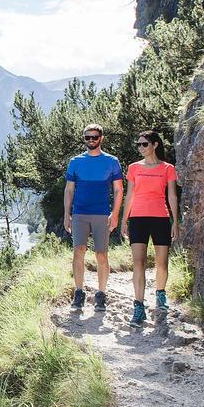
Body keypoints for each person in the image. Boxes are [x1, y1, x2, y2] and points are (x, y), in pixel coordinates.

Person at [120, 130, 180, 325]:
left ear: (155, 145)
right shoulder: (134, 168)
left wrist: (175, 221)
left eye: (144, 144)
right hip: (138, 218)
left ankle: (160, 295)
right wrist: (123, 220)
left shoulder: (167, 168)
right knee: (139, 263)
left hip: (161, 218)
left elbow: (172, 196)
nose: (141, 148)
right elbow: (129, 195)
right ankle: (138, 308)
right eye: (138, 144)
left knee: (162, 263)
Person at [63, 123, 123, 310]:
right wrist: (67, 214)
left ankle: (101, 294)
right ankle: (79, 293)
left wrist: (115, 214)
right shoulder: (75, 162)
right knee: (78, 251)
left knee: (101, 254)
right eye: (87, 137)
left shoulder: (112, 161)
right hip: (80, 213)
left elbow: (119, 189)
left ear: (101, 138)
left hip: (101, 214)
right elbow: (69, 189)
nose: (91, 140)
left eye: (94, 137)